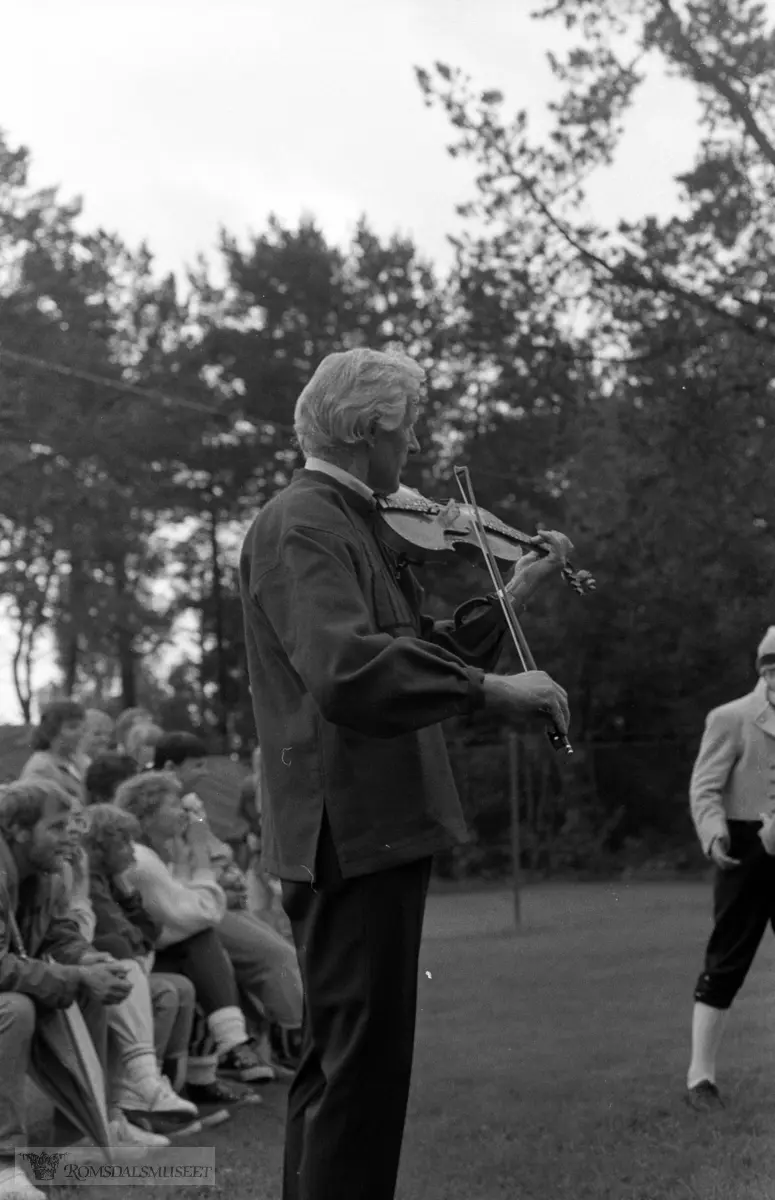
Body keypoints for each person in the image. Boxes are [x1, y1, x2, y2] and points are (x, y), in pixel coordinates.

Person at [238, 346, 573, 1200]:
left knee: (343, 1065)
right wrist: (492, 689)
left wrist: (513, 599)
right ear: (371, 430)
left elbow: (408, 647)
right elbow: (349, 672)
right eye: (409, 428)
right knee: (361, 1075)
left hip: (367, 820)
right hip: (350, 824)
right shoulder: (305, 522)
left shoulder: (346, 519)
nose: (416, 448)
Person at [0, 778, 165, 1200]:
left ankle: (75, 1145)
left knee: (91, 986)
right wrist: (75, 976)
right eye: (57, 826)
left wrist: (87, 961)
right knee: (15, 1009)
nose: (71, 836)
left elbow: (57, 933)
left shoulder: (47, 871)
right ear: (17, 830)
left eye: (73, 825)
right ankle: (4, 1166)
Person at [153, 732, 303, 1073]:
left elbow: (209, 846)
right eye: (197, 765)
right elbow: (171, 869)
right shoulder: (161, 809)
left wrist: (229, 874)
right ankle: (288, 1046)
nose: (204, 772)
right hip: (194, 909)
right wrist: (221, 882)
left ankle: (263, 1045)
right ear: (169, 767)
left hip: (216, 901)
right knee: (275, 956)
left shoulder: (191, 802)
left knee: (277, 950)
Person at [113, 771, 272, 1093]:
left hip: (149, 951)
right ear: (145, 815)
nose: (184, 813)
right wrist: (199, 849)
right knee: (204, 943)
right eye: (173, 806)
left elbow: (186, 900)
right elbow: (199, 913)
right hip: (136, 959)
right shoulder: (141, 861)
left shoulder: (152, 853)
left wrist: (190, 851)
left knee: (202, 948)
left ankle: (220, 1059)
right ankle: (235, 1045)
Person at [685, 626, 775, 1110]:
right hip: (744, 851)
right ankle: (701, 1078)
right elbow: (705, 786)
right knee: (727, 960)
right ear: (762, 669)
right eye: (771, 665)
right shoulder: (732, 718)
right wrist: (714, 831)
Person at [83, 804, 202, 1137]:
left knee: (179, 987)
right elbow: (125, 939)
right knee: (161, 989)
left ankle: (159, 1091)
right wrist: (137, 942)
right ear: (98, 847)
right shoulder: (88, 880)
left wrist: (128, 891)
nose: (132, 851)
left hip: (122, 968)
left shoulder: (112, 881)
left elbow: (149, 933)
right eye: (123, 844)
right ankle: (136, 1093)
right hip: (94, 973)